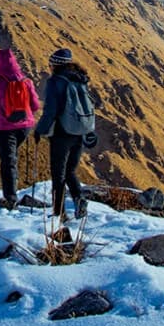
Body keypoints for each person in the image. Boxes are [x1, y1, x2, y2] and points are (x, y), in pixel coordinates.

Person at [33, 48, 97, 221]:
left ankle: (58, 212)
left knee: (58, 173)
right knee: (70, 170)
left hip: (62, 132)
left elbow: (51, 110)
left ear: (55, 64)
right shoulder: (80, 79)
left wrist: (40, 130)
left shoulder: (56, 82)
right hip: (80, 131)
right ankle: (79, 198)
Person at [0, 49, 40, 210]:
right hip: (25, 127)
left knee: (8, 162)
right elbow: (35, 105)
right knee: (11, 159)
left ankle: (10, 198)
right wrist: (23, 113)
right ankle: (13, 193)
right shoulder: (26, 80)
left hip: (5, 128)